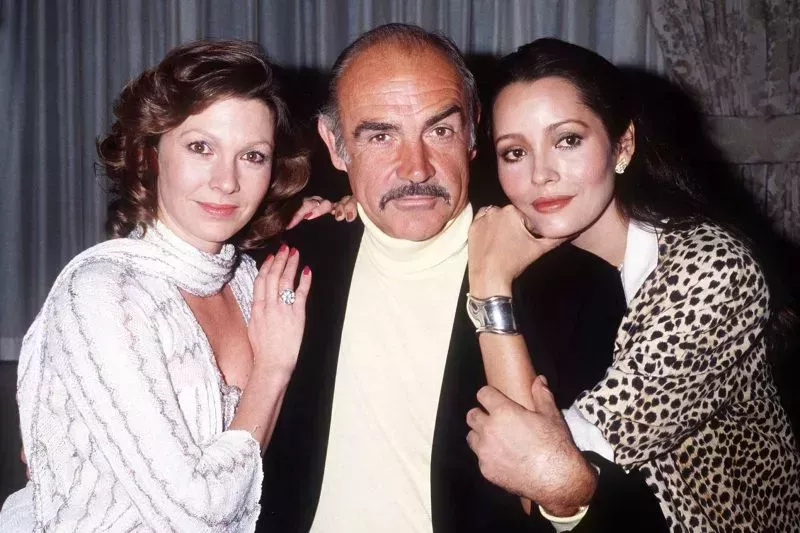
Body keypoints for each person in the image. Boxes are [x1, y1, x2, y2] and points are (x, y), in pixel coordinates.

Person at [258, 24, 667, 533]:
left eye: (440, 131)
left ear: (473, 131)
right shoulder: (290, 260)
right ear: (335, 146)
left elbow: (630, 509)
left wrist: (571, 499)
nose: (416, 168)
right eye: (381, 136)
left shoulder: (575, 287)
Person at [464, 38, 800, 532]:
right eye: (515, 152)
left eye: (567, 140)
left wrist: (490, 287)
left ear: (622, 146)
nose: (541, 175)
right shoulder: (553, 254)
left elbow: (539, 468)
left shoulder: (711, 271)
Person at [0, 39, 311, 532]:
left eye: (253, 156)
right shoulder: (104, 293)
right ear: (149, 156)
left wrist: (346, 210)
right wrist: (272, 368)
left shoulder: (250, 282)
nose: (226, 181)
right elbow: (196, 512)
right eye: (200, 147)